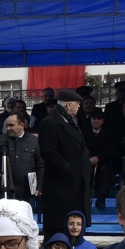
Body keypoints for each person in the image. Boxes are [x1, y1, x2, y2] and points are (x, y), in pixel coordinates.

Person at [38, 89, 92, 232]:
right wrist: (67, 168)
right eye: (77, 103)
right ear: (68, 105)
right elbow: (49, 152)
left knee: (73, 229)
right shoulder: (49, 122)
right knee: (59, 227)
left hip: (76, 185)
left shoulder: (72, 122)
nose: (79, 106)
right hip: (61, 186)